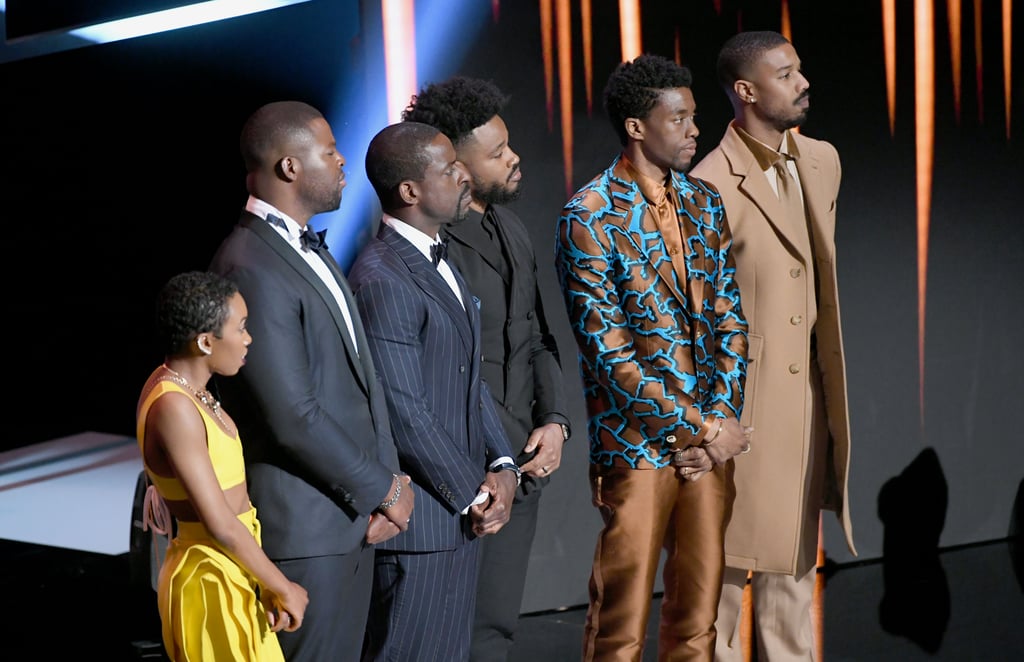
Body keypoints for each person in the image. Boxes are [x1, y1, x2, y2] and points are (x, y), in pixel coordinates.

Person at [554, 54, 750, 661]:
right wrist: (704, 429)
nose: (695, 129)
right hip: (637, 447)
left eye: (695, 116)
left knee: (698, 621)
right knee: (621, 623)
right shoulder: (589, 216)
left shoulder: (705, 202)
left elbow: (729, 321)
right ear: (638, 126)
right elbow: (610, 358)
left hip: (709, 449)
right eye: (681, 117)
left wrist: (718, 422)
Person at [208, 101, 414, 662]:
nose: (343, 161)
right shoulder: (249, 262)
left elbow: (362, 387)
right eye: (329, 151)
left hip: (346, 521)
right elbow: (291, 413)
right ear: (290, 167)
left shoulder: (304, 245)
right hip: (305, 535)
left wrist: (387, 481)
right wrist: (385, 488)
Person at [690, 31, 856, 661]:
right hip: (742, 407)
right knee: (727, 570)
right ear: (746, 90)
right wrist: (709, 421)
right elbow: (697, 319)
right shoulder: (709, 183)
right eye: (785, 74)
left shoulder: (821, 159)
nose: (802, 82)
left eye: (800, 69)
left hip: (809, 396)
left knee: (794, 564)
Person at [401, 75, 572, 661]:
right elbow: (443, 374)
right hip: (461, 475)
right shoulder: (430, 247)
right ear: (457, 163)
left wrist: (554, 421)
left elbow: (539, 337)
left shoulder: (512, 227)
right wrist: (502, 454)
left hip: (519, 466)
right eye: (497, 152)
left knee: (496, 629)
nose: (513, 157)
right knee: (452, 634)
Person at [349, 120, 520, 662]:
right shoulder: (383, 277)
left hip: (457, 522)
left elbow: (471, 382)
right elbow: (405, 411)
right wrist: (475, 491)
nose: (463, 175)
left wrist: (503, 463)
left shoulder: (439, 258)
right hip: (421, 529)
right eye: (448, 169)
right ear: (410, 191)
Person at [136, 270, 309, 661]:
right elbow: (220, 523)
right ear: (204, 341)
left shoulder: (187, 390)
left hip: (232, 568)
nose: (248, 338)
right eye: (241, 328)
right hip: (210, 579)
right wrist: (282, 585)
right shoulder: (174, 406)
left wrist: (261, 580)